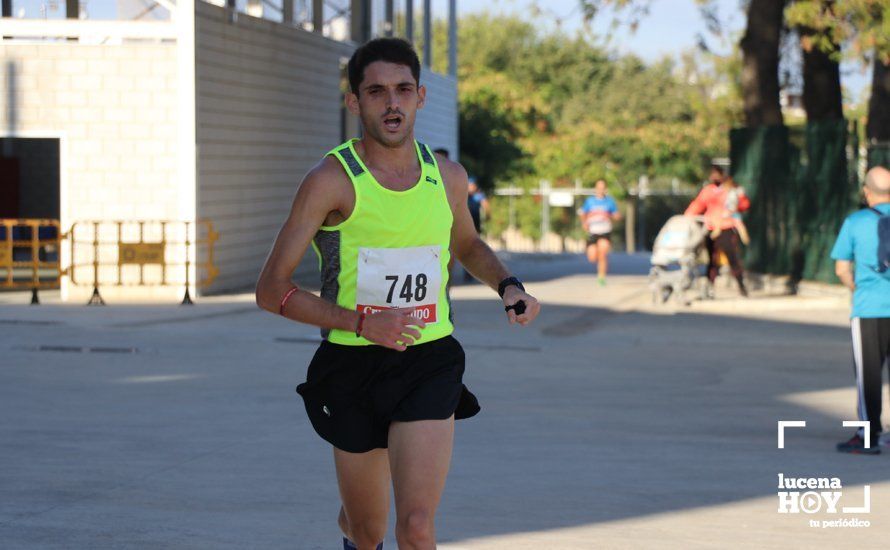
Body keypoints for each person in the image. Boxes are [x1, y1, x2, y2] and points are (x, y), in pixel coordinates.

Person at [254, 38, 541, 550]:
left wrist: (508, 285)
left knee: (415, 526)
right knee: (367, 531)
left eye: (403, 90)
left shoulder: (447, 177)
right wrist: (365, 324)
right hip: (352, 364)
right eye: (377, 91)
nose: (392, 103)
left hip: (428, 359)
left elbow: (467, 243)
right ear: (354, 102)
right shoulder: (330, 180)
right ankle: (353, 522)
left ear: (421, 97)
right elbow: (271, 289)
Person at [830, 165, 890, 455]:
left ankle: (868, 435)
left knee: (869, 375)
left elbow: (841, 268)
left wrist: (857, 288)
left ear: (867, 193)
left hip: (869, 309)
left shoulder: (855, 222)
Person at [684, 165, 750, 297]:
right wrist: (687, 216)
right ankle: (709, 288)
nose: (714, 177)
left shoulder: (731, 190)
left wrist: (740, 198)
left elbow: (743, 205)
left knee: (732, 258)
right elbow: (698, 204)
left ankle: (741, 285)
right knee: (712, 260)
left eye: (716, 174)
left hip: (726, 227)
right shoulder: (708, 190)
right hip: (711, 227)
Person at [578, 179, 621, 286]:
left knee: (603, 254)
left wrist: (615, 216)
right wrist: (584, 222)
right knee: (592, 257)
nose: (600, 190)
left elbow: (616, 215)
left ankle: (601, 277)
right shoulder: (590, 201)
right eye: (598, 187)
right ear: (595, 189)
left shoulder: (610, 201)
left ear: (605, 189)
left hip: (605, 231)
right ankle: (596, 258)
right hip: (593, 231)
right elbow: (583, 213)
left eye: (602, 188)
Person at [463, 177, 490, 281]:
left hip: (475, 226)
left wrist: (487, 216)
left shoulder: (478, 195)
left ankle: (470, 273)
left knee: (471, 248)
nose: (472, 187)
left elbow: (486, 205)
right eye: (470, 185)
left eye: (473, 185)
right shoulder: (463, 195)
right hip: (463, 225)